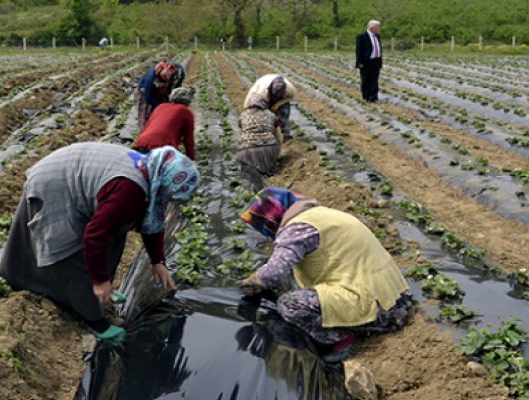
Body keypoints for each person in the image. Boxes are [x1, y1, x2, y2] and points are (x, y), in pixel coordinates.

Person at [0, 143, 200, 344]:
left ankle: (99, 292)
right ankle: (93, 319)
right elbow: (94, 236)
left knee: (116, 232)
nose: (170, 201)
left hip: (75, 174)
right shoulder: (130, 191)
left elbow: (152, 223)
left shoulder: (151, 173)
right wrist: (100, 281)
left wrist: (158, 262)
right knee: (72, 253)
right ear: (164, 184)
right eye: (171, 195)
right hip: (55, 183)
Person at [236, 187, 412, 360]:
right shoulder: (317, 215)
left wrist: (254, 280)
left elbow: (273, 273)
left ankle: (342, 337)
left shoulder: (296, 229)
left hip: (381, 309)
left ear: (270, 218)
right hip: (394, 294)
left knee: (289, 305)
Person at [134, 87, 196, 160]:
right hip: (163, 148)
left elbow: (147, 126)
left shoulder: (160, 106)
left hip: (142, 142)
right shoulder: (186, 112)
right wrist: (191, 159)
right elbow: (188, 139)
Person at [235, 94, 281, 175]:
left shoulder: (243, 115)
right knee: (268, 170)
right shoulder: (272, 115)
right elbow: (278, 135)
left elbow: (241, 133)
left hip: (246, 149)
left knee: (248, 173)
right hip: (269, 147)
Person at [243, 74, 296, 142]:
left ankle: (285, 134)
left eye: (280, 93)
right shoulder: (260, 91)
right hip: (263, 96)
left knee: (284, 111)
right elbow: (247, 103)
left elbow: (290, 97)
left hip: (280, 99)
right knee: (261, 114)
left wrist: (278, 104)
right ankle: (262, 134)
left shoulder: (290, 89)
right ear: (270, 88)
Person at [137, 61, 186, 128]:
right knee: (147, 113)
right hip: (146, 91)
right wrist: (164, 104)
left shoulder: (178, 70)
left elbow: (178, 83)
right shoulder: (151, 80)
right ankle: (146, 129)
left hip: (164, 89)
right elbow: (149, 98)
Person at [356, 20, 383, 102]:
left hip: (376, 61)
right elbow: (359, 50)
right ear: (372, 27)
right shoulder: (362, 37)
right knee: (366, 80)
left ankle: (373, 97)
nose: (378, 28)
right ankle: (366, 97)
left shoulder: (377, 36)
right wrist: (359, 62)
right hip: (366, 62)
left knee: (374, 80)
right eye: (377, 27)